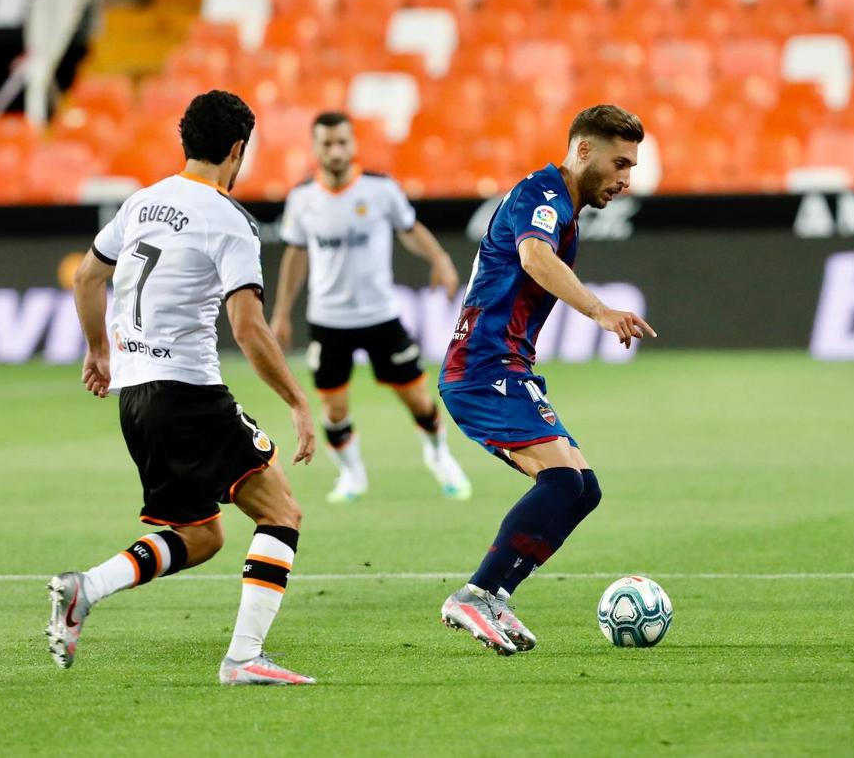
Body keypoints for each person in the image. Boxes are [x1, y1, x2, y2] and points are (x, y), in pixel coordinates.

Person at [46, 90, 318, 685]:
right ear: (237, 149)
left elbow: (90, 276)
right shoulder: (230, 220)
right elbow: (248, 327)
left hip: (137, 399)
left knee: (201, 534)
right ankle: (244, 659)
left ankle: (84, 589)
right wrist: (298, 401)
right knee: (282, 512)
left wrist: (99, 350)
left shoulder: (141, 202)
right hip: (188, 391)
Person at [437, 105, 657, 654]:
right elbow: (535, 259)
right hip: (483, 368)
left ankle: (495, 593)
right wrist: (601, 312)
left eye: (632, 167)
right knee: (562, 483)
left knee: (582, 489)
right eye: (619, 163)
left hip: (505, 368)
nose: (626, 180)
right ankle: (475, 594)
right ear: (583, 150)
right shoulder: (542, 193)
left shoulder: (566, 210)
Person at [270, 111, 472, 503]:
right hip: (328, 320)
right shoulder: (302, 199)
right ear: (315, 149)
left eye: (343, 142)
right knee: (332, 409)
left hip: (380, 316)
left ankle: (439, 455)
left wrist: (441, 259)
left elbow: (409, 229)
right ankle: (352, 474)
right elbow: (295, 255)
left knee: (417, 398)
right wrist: (281, 311)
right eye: (327, 143)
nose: (336, 150)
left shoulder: (380, 190)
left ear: (353, 145)